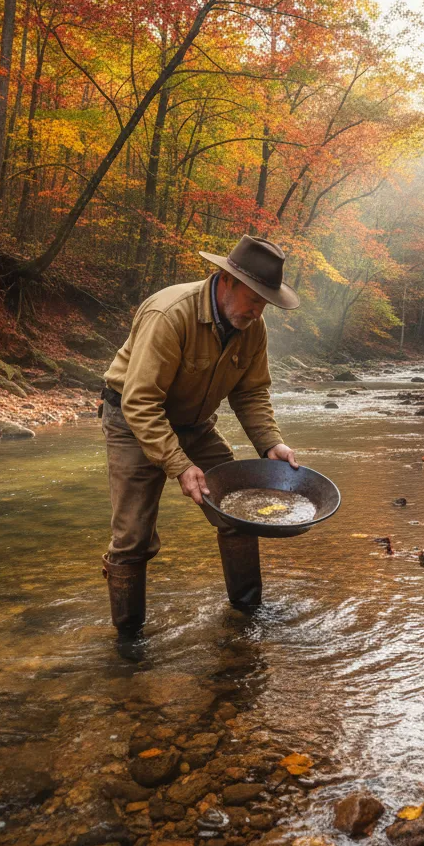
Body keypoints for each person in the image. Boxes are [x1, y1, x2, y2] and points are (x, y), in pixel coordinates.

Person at [100, 235, 301, 635]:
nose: (259, 311)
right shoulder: (169, 314)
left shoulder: (251, 327)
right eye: (255, 298)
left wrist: (270, 442)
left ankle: (248, 614)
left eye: (266, 303)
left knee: (238, 509)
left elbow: (252, 392)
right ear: (226, 280)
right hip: (132, 421)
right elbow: (140, 403)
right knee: (133, 538)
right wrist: (180, 466)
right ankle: (128, 640)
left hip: (195, 425)